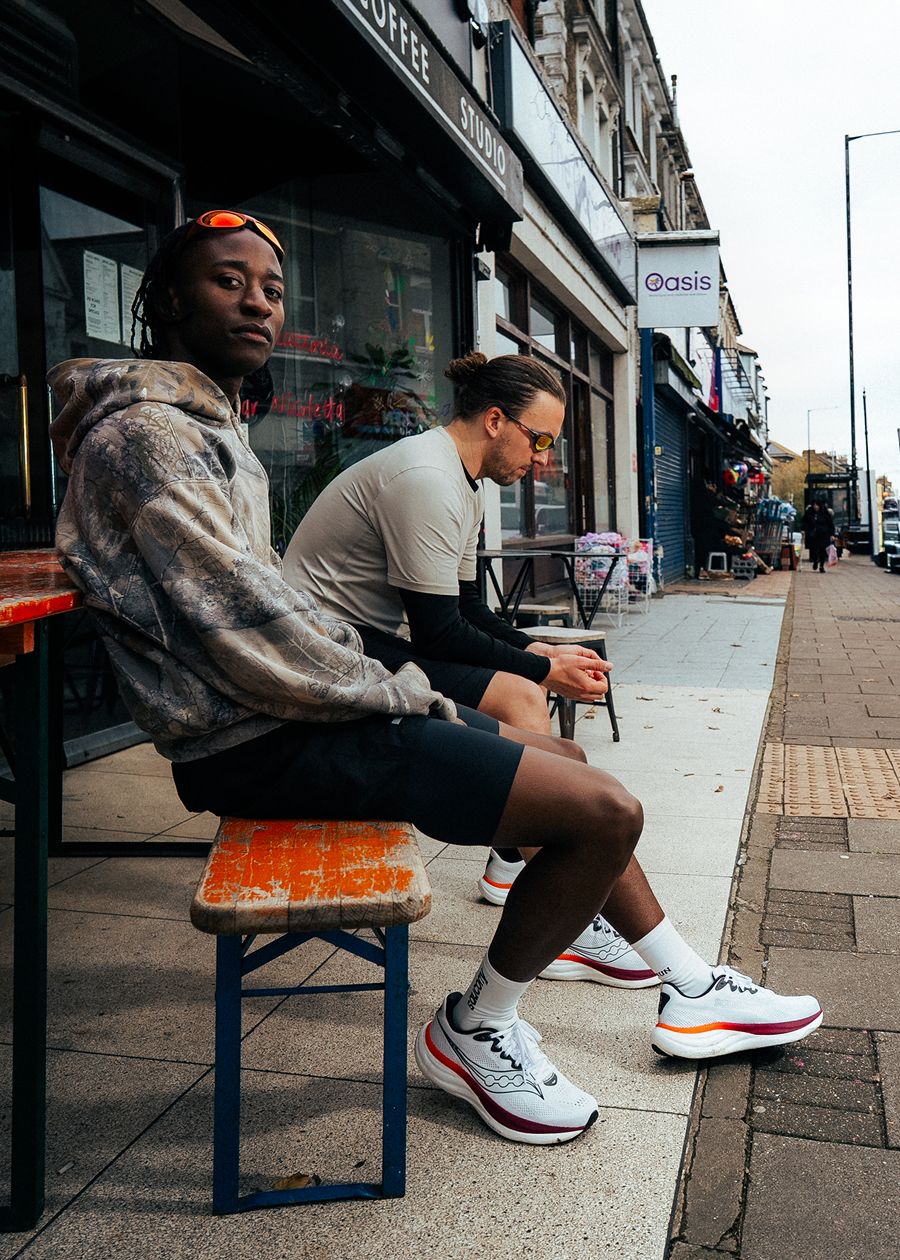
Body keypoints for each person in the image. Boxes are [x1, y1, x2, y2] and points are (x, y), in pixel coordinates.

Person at [49, 215, 822, 1149]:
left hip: (303, 708)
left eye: (271, 287)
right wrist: (415, 695)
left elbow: (290, 616)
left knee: (565, 765)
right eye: (228, 281)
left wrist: (423, 689)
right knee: (602, 812)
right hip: (260, 738)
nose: (258, 301)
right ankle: (478, 1028)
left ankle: (689, 985)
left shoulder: (205, 427)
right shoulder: (149, 439)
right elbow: (249, 633)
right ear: (169, 301)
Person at [282, 348, 823, 1029]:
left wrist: (538, 649)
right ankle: (581, 904)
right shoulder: (425, 478)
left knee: (541, 728)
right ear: (495, 420)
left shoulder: (462, 481)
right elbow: (439, 636)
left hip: (368, 650)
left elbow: (467, 615)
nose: (544, 460)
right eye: (539, 441)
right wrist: (544, 668)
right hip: (332, 668)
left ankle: (542, 879)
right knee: (543, 735)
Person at [802, 498, 836, 572]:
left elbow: (830, 524)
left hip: (823, 534)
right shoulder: (809, 512)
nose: (815, 506)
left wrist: (832, 534)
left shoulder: (825, 512)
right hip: (813, 534)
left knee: (822, 550)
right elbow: (805, 521)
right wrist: (804, 529)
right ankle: (815, 561)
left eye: (817, 505)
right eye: (814, 505)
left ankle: (821, 566)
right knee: (814, 549)